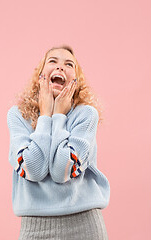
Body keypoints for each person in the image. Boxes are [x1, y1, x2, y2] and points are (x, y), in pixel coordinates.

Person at [7, 45, 110, 239]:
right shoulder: (18, 116)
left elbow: (62, 171)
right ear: (40, 75)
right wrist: (45, 115)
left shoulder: (86, 115)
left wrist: (58, 117)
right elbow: (33, 169)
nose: (60, 67)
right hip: (34, 227)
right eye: (52, 61)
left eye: (69, 64)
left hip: (85, 226)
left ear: (75, 81)